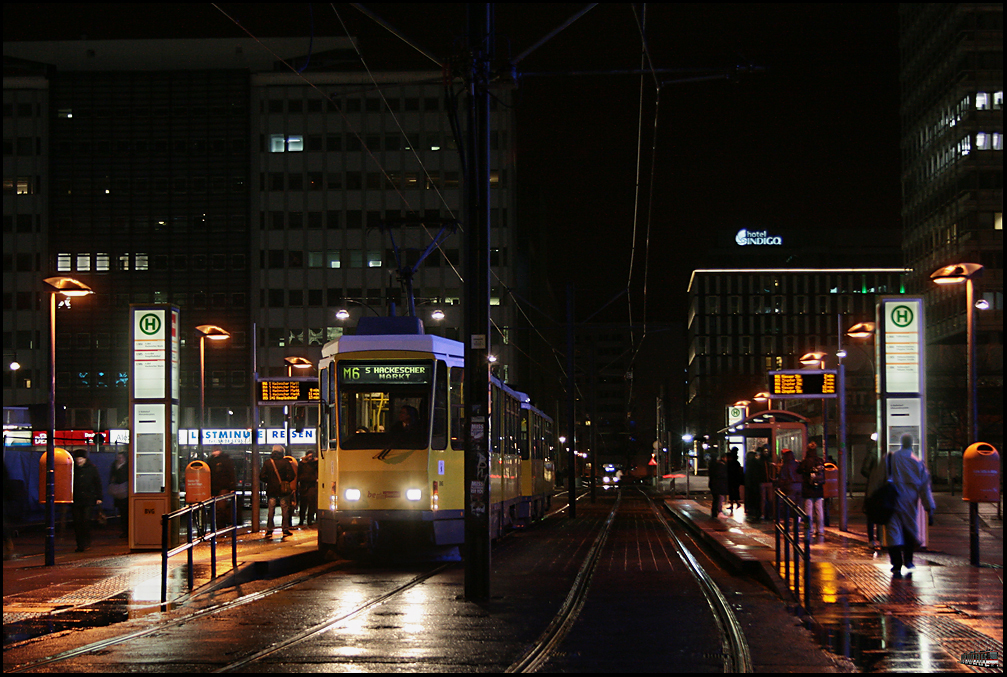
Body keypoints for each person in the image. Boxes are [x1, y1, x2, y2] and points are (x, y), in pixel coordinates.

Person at [885, 433, 936, 577]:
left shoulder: (892, 458)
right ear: (911, 444)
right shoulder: (918, 462)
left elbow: (883, 477)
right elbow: (925, 487)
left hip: (893, 498)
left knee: (893, 530)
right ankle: (908, 560)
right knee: (909, 529)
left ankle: (896, 563)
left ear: (901, 443)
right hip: (910, 499)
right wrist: (929, 508)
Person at [71, 449, 103, 552]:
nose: (78, 461)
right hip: (76, 499)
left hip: (88, 499)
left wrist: (99, 497)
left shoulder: (92, 469)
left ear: (85, 459)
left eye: (80, 458)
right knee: (77, 522)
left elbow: (97, 483)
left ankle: (85, 542)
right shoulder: (73, 469)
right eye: (77, 459)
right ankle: (80, 544)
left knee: (85, 521)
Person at [261, 445, 296, 537]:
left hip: (271, 489)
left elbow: (262, 476)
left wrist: (269, 481)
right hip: (282, 490)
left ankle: (269, 529)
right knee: (285, 509)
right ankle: (285, 529)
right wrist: (286, 481)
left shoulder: (268, 462)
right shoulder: (285, 462)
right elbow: (292, 475)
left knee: (271, 510)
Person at [799, 442, 826, 537]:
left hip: (808, 489)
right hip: (818, 489)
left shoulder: (806, 461)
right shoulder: (820, 460)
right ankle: (820, 529)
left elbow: (799, 470)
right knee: (819, 510)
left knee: (808, 511)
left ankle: (809, 529)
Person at [207, 446, 237, 528]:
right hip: (221, 486)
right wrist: (232, 487)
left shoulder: (211, 461)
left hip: (218, 487)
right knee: (219, 508)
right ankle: (221, 526)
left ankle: (220, 527)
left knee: (219, 508)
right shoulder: (226, 460)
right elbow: (231, 474)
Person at [860, 444, 881, 549]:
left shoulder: (873, 453)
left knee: (874, 514)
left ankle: (875, 539)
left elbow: (864, 469)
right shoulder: (874, 453)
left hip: (875, 488)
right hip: (876, 488)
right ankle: (874, 539)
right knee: (873, 514)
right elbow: (864, 469)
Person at [775, 448, 802, 517]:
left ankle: (790, 518)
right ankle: (798, 518)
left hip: (790, 485)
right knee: (798, 503)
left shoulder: (785, 466)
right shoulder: (797, 464)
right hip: (799, 485)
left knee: (789, 503)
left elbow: (782, 477)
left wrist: (779, 485)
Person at [108, 451, 129, 537]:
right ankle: (125, 530)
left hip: (124, 492)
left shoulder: (118, 466)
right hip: (121, 491)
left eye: (121, 457)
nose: (119, 459)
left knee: (125, 512)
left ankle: (126, 530)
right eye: (118, 457)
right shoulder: (117, 465)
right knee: (122, 512)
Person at [297, 451, 318, 527]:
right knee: (304, 504)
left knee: (309, 504)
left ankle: (307, 520)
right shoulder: (303, 463)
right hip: (306, 485)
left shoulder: (313, 463)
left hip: (309, 485)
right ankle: (304, 520)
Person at [759, 446, 778, 521]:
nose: (766, 453)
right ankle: (764, 513)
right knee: (764, 499)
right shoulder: (766, 461)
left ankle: (768, 513)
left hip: (767, 481)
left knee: (769, 499)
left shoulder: (767, 461)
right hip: (765, 481)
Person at [708, 451, 729, 518]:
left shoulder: (712, 464)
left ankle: (715, 513)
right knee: (719, 498)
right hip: (718, 485)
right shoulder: (720, 465)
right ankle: (718, 511)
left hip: (714, 484)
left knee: (716, 499)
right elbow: (721, 475)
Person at [726, 447, 744, 514]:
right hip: (736, 478)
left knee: (731, 491)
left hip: (731, 478)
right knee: (735, 491)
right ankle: (736, 503)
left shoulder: (730, 462)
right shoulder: (736, 462)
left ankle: (733, 504)